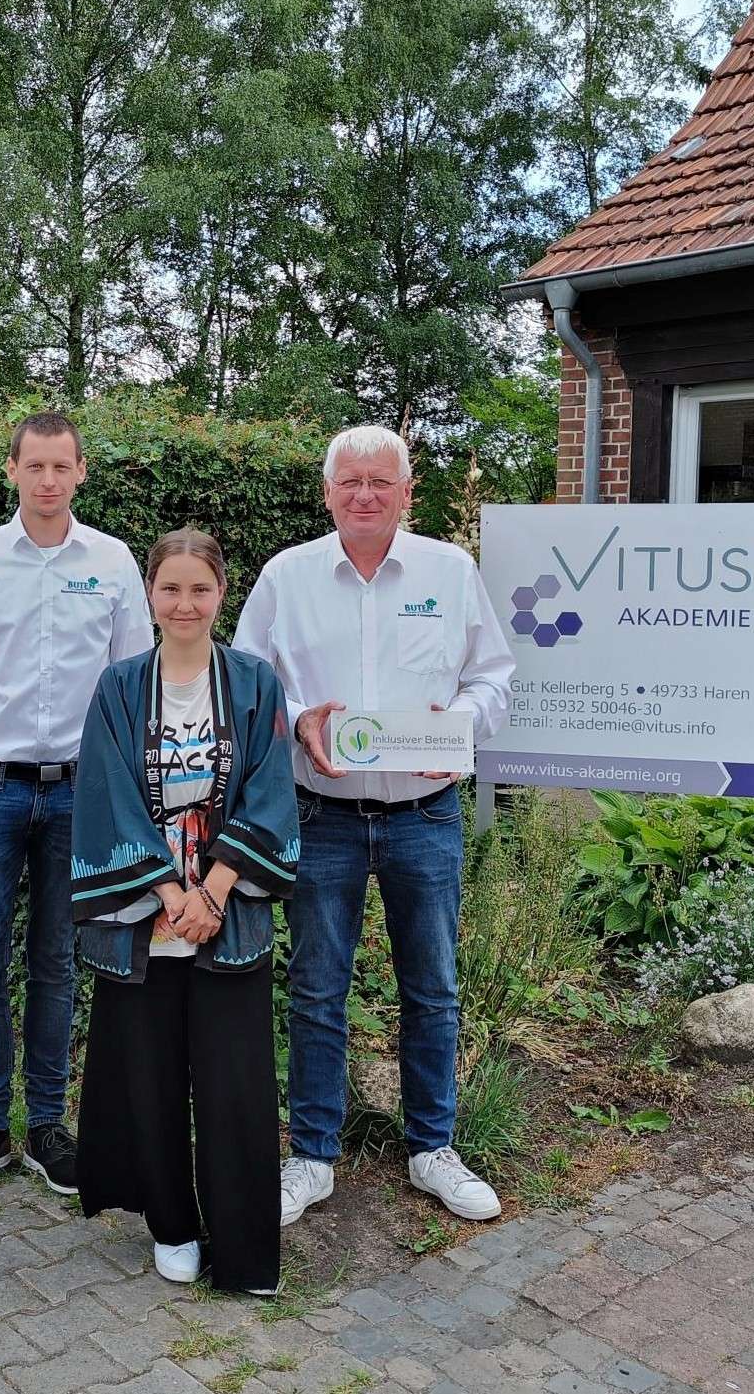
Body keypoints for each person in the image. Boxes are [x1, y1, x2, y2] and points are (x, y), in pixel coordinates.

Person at [233, 425, 514, 1226]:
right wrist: (297, 719)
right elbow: (248, 680)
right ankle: (312, 1154)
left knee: (433, 986)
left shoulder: (450, 572)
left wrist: (456, 728)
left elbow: (495, 678)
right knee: (317, 988)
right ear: (327, 493)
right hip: (319, 814)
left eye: (380, 482)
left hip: (423, 816)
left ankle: (433, 1147)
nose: (365, 494)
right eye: (350, 481)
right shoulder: (286, 577)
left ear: (406, 492)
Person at [0, 411, 153, 1197]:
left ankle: (49, 1124)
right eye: (36, 466)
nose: (49, 480)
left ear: (82, 470)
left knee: (57, 961)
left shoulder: (114, 561)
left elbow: (133, 686)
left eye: (62, 466)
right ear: (12, 470)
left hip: (78, 792)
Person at [70, 529, 298, 1293]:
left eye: (200, 588)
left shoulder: (255, 682)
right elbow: (106, 792)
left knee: (236, 1086)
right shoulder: (119, 687)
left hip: (228, 914)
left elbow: (271, 789)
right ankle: (171, 1224)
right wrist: (170, 893)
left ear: (222, 593)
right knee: (152, 1078)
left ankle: (242, 1249)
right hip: (148, 918)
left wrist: (215, 889)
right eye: (170, 587)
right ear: (149, 593)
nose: (185, 603)